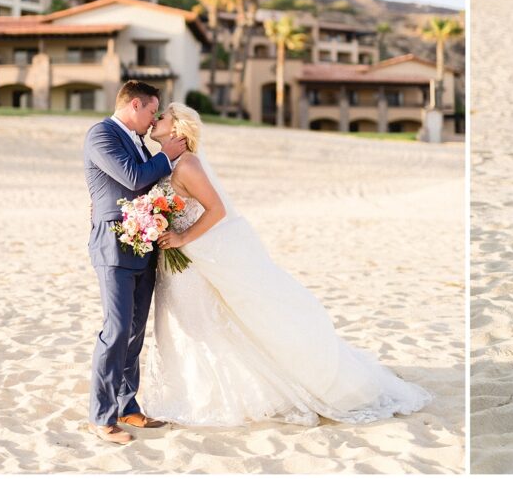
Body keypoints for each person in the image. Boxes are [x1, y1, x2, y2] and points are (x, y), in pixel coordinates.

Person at [139, 102, 432, 426]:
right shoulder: (167, 164)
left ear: (178, 127)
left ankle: (208, 398)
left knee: (197, 326)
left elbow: (217, 209)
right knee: (180, 326)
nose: (155, 120)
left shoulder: (187, 165)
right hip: (173, 264)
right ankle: (188, 393)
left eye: (162, 116)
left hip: (189, 263)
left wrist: (182, 239)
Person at [84, 80, 187, 444]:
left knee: (134, 333)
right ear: (134, 106)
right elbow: (132, 178)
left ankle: (128, 405)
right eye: (151, 111)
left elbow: (148, 190)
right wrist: (168, 155)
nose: (153, 119)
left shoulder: (140, 142)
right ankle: (102, 417)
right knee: (114, 333)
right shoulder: (101, 135)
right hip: (113, 247)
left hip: (143, 247)